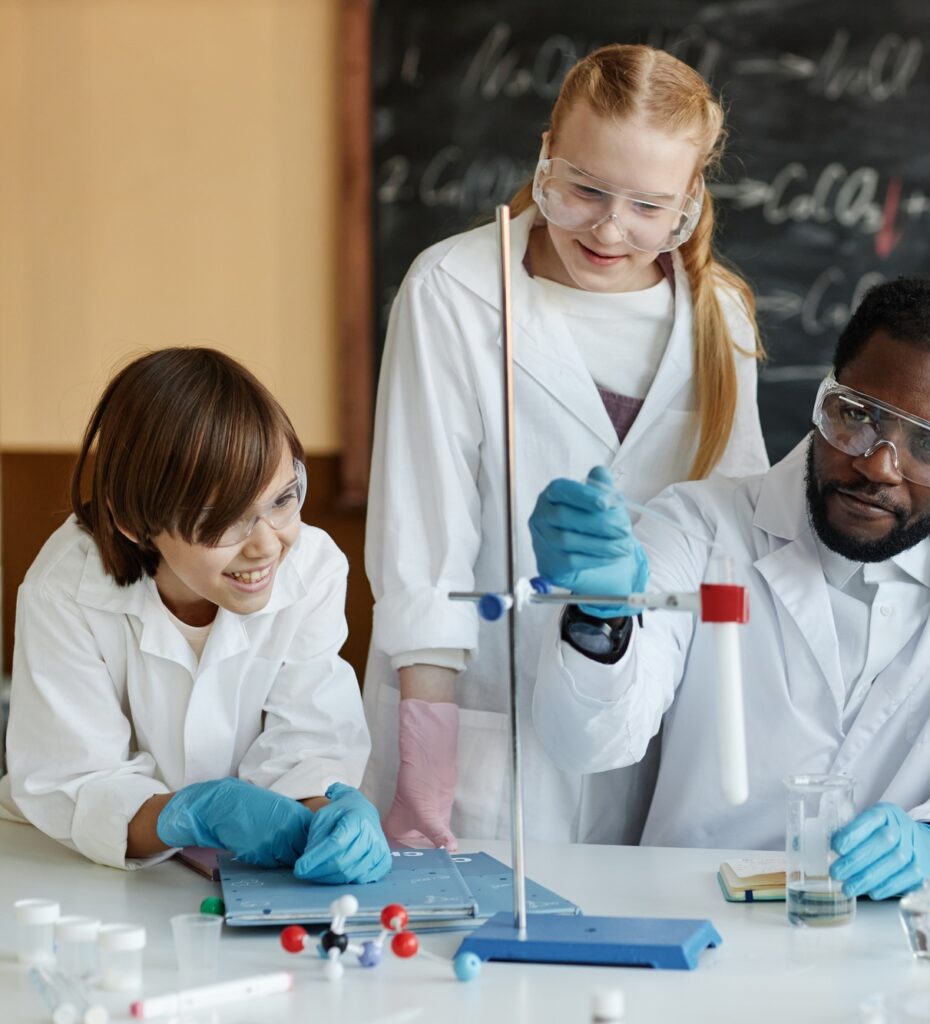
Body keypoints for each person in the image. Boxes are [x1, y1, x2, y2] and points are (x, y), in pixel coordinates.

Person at [529, 278, 930, 899]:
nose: (877, 465)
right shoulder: (699, 526)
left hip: (893, 931)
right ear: (827, 398)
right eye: (858, 417)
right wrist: (599, 618)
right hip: (701, 919)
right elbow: (587, 742)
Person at [363, 44, 769, 849]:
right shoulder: (454, 291)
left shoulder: (718, 318)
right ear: (547, 154)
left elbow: (735, 545)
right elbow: (423, 550)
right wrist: (425, 776)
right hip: (483, 742)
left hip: (648, 735)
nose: (610, 229)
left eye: (650, 207)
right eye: (584, 189)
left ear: (691, 200)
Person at [0, 348, 385, 882]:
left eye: (282, 499)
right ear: (135, 520)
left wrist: (330, 816)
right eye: (224, 521)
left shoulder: (312, 568)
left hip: (241, 875)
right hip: (80, 872)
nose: (266, 546)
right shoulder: (64, 590)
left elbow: (309, 742)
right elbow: (74, 784)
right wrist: (196, 814)